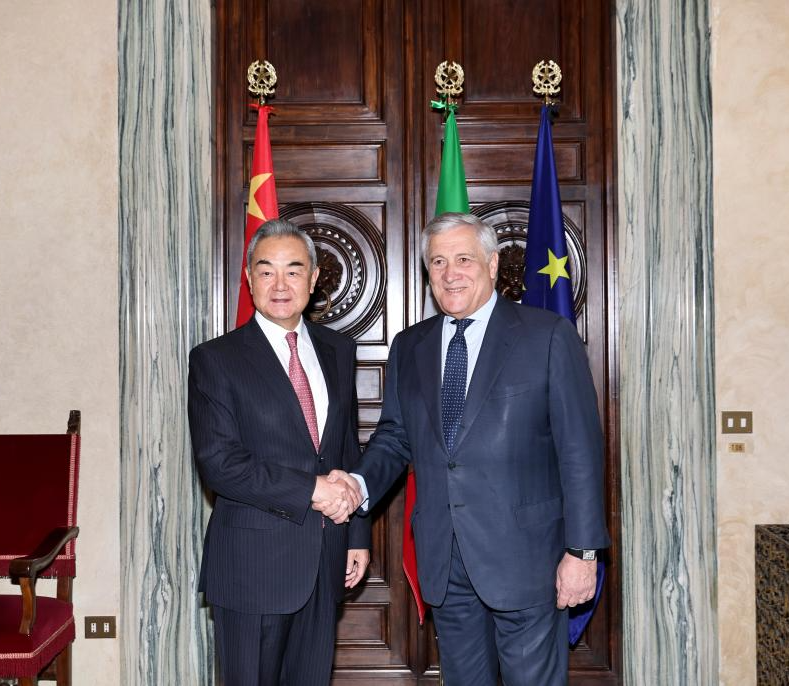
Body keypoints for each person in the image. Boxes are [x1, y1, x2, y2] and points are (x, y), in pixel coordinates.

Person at [317, 212, 609, 685]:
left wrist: (584, 552)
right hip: (445, 562)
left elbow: (581, 451)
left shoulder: (547, 336)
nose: (450, 273)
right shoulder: (411, 346)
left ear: (492, 265)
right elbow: (395, 436)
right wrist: (356, 485)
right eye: (438, 262)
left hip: (529, 560)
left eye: (463, 259)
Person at [188, 218, 370, 686]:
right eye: (266, 271)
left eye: (294, 270)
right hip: (252, 565)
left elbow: (346, 450)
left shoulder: (338, 350)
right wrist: (311, 490)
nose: (280, 284)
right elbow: (220, 464)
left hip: (325, 559)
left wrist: (357, 537)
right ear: (249, 279)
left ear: (313, 279)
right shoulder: (216, 359)